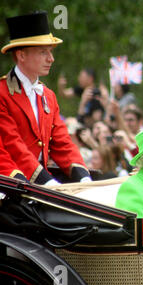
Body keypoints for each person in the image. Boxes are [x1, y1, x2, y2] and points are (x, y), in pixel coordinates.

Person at [0, 11, 91, 185]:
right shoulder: (2, 93)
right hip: (11, 182)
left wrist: (83, 177)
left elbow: (62, 142)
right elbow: (13, 145)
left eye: (50, 52)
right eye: (43, 52)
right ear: (21, 55)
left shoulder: (48, 96)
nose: (51, 58)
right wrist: (46, 182)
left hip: (40, 184)